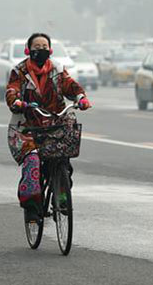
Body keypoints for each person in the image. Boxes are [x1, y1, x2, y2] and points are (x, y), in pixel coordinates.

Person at [6, 33, 91, 223]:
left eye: (45, 46)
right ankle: (32, 209)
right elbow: (11, 91)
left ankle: (61, 197)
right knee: (33, 162)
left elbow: (71, 87)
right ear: (28, 50)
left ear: (50, 50)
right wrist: (18, 102)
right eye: (37, 46)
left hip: (56, 124)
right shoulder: (19, 71)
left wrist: (81, 99)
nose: (41, 49)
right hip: (27, 128)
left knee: (63, 159)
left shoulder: (58, 70)